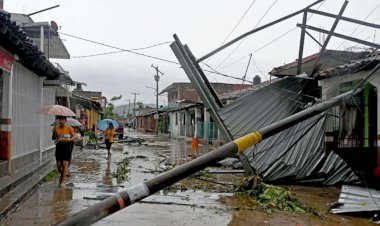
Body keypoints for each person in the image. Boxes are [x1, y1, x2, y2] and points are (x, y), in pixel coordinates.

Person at [52, 116, 79, 188]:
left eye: (63, 120)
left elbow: (75, 136)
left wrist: (70, 139)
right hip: (59, 147)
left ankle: (62, 182)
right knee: (58, 165)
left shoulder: (69, 128)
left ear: (65, 121)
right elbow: (53, 138)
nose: (61, 121)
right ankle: (63, 174)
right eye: (60, 120)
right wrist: (55, 134)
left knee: (64, 164)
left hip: (66, 147)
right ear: (58, 121)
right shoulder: (56, 128)